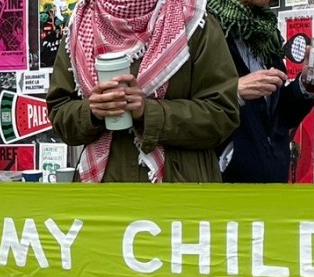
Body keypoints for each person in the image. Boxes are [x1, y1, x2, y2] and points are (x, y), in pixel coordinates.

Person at [46, 0, 240, 183]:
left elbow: (222, 114)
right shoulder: (81, 23)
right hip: (102, 196)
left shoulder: (193, 20)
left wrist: (149, 113)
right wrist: (91, 112)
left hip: (178, 192)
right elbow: (60, 112)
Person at [209, 0, 314, 183]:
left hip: (272, 185)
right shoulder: (202, 26)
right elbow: (181, 105)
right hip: (222, 188)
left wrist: (306, 82)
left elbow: (278, 116)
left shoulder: (266, 32)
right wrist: (234, 92)